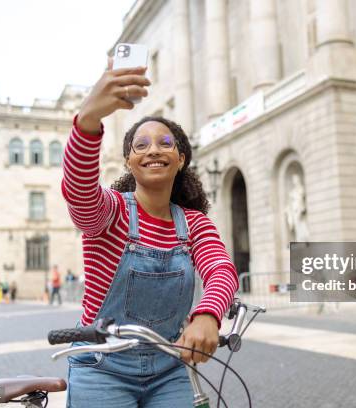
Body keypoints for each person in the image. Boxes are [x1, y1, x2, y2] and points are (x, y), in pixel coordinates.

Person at [61, 58, 239, 407]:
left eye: (164, 143)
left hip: (169, 367)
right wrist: (88, 121)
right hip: (101, 367)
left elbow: (221, 270)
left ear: (181, 158)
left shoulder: (194, 223)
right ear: (128, 160)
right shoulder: (110, 212)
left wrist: (207, 314)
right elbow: (79, 193)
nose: (153, 149)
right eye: (140, 145)